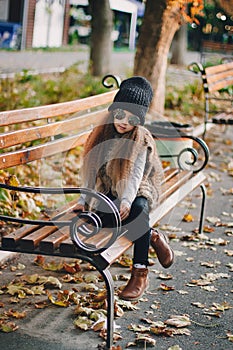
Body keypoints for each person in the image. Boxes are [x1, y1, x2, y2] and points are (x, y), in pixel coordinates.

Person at [74, 76, 174, 301]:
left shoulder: (141, 139)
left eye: (132, 118)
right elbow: (90, 169)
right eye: (120, 114)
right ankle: (153, 236)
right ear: (113, 111)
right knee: (96, 219)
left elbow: (135, 176)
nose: (124, 121)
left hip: (139, 188)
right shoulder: (101, 134)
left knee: (138, 212)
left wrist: (128, 201)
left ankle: (139, 273)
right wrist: (83, 200)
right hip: (111, 188)